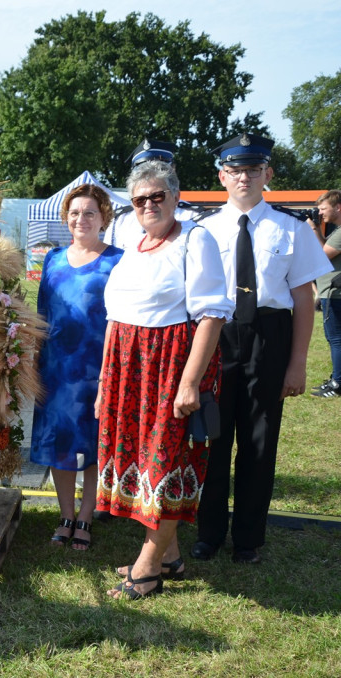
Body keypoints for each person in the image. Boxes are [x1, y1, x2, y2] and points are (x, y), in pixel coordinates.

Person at [192, 134, 333, 564]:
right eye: (235, 170)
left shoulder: (291, 228)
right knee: (212, 438)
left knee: (259, 441)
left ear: (268, 174)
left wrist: (297, 366)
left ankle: (248, 538)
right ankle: (208, 532)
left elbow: (305, 299)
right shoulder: (203, 229)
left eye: (254, 170)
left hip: (269, 337)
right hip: (217, 336)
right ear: (222, 176)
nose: (245, 178)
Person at [96, 160, 233, 598]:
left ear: (176, 197)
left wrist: (190, 382)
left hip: (172, 366)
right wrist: (104, 383)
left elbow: (212, 314)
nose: (149, 205)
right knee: (143, 459)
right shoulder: (133, 245)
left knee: (167, 461)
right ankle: (170, 556)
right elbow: (114, 319)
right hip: (128, 366)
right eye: (140, 200)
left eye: (158, 196)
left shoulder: (196, 238)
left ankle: (149, 567)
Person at [31, 184, 123, 551]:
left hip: (97, 368)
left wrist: (112, 369)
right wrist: (33, 360)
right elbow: (41, 313)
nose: (80, 219)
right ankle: (65, 514)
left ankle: (87, 515)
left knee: (94, 443)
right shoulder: (52, 258)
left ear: (104, 218)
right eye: (74, 212)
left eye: (89, 213)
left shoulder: (118, 259)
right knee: (59, 441)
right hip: (55, 367)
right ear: (65, 217)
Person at [104, 138, 207, 250]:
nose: (151, 174)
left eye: (160, 169)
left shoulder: (194, 217)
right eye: (143, 171)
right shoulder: (120, 220)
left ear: (173, 170)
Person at [312, 222, 341, 398]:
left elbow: (323, 255)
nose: (320, 213)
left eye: (323, 208)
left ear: (337, 207)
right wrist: (316, 229)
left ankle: (337, 383)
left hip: (334, 293)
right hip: (330, 292)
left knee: (335, 339)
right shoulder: (336, 231)